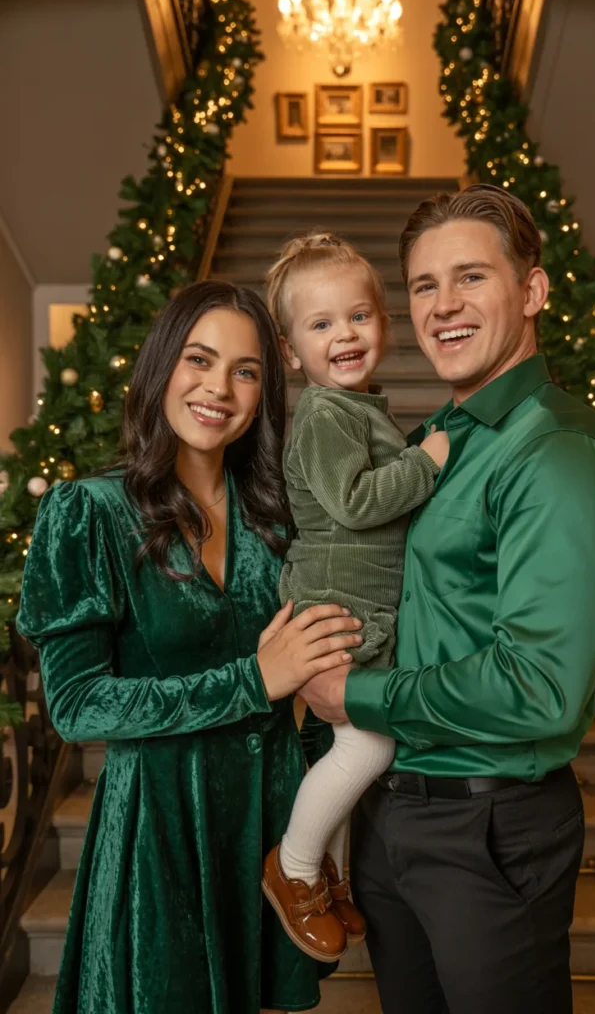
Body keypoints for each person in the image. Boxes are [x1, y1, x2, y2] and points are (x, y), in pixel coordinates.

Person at [299, 185, 595, 1013]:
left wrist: (352, 692)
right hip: (393, 813)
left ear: (530, 292)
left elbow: (537, 686)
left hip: (488, 830)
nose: (443, 306)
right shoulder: (438, 440)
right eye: (423, 285)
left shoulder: (556, 454)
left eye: (470, 278)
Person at [17, 281, 364, 1014]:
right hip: (159, 831)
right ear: (160, 366)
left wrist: (323, 835)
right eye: (198, 359)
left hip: (270, 826)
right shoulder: (89, 513)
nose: (219, 388)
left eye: (246, 371)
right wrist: (254, 679)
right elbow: (77, 707)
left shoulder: (280, 517)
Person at [260, 234, 449, 963]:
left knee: (353, 743)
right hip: (337, 604)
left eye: (359, 317)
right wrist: (427, 463)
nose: (345, 335)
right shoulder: (324, 414)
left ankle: (323, 868)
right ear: (289, 351)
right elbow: (355, 500)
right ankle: (295, 866)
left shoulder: (358, 408)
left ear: (384, 325)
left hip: (360, 601)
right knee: (368, 741)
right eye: (321, 324)